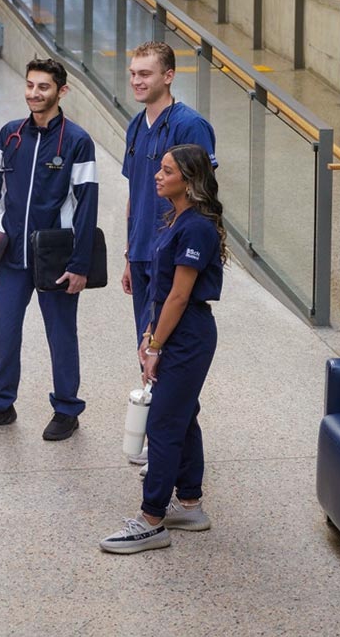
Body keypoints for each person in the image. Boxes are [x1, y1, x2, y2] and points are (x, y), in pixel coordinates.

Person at [101, 144, 225, 554]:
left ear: (188, 182)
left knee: (164, 425)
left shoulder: (196, 228)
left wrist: (155, 345)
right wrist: (149, 333)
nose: (157, 175)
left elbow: (179, 295)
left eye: (167, 170)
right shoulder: (177, 218)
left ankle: (151, 520)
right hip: (174, 327)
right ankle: (189, 503)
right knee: (183, 415)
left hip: (188, 333)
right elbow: (161, 290)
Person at [0, 58, 99, 441]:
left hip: (56, 257)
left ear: (61, 91)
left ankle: (67, 408)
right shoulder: (9, 135)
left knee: (61, 334)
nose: (34, 93)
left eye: (43, 87)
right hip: (11, 254)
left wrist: (80, 263)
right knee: (4, 330)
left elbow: (87, 205)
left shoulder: (76, 141)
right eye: (30, 85)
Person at [119, 41, 216, 473]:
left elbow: (204, 199)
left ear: (169, 76)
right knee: (151, 358)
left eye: (146, 74)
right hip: (142, 256)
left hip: (170, 262)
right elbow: (133, 193)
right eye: (134, 73)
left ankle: (169, 452)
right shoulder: (136, 125)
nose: (137, 81)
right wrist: (128, 254)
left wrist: (177, 266)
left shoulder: (190, 126)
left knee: (165, 359)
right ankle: (166, 447)